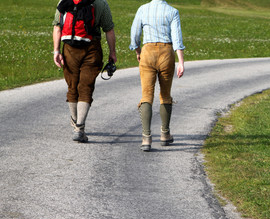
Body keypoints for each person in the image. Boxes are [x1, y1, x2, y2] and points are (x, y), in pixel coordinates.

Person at [52, 0, 117, 143]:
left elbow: (57, 27)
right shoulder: (100, 3)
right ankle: (79, 128)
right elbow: (109, 29)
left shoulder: (64, 1)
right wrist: (112, 53)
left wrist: (56, 51)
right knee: (86, 86)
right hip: (92, 48)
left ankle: (75, 121)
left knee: (72, 85)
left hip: (69, 47)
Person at [129, 0, 185, 152]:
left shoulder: (143, 9)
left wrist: (137, 50)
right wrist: (181, 61)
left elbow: (135, 33)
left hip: (147, 51)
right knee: (165, 95)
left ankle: (146, 138)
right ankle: (165, 134)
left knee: (146, 95)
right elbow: (177, 38)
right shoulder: (172, 11)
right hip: (166, 52)